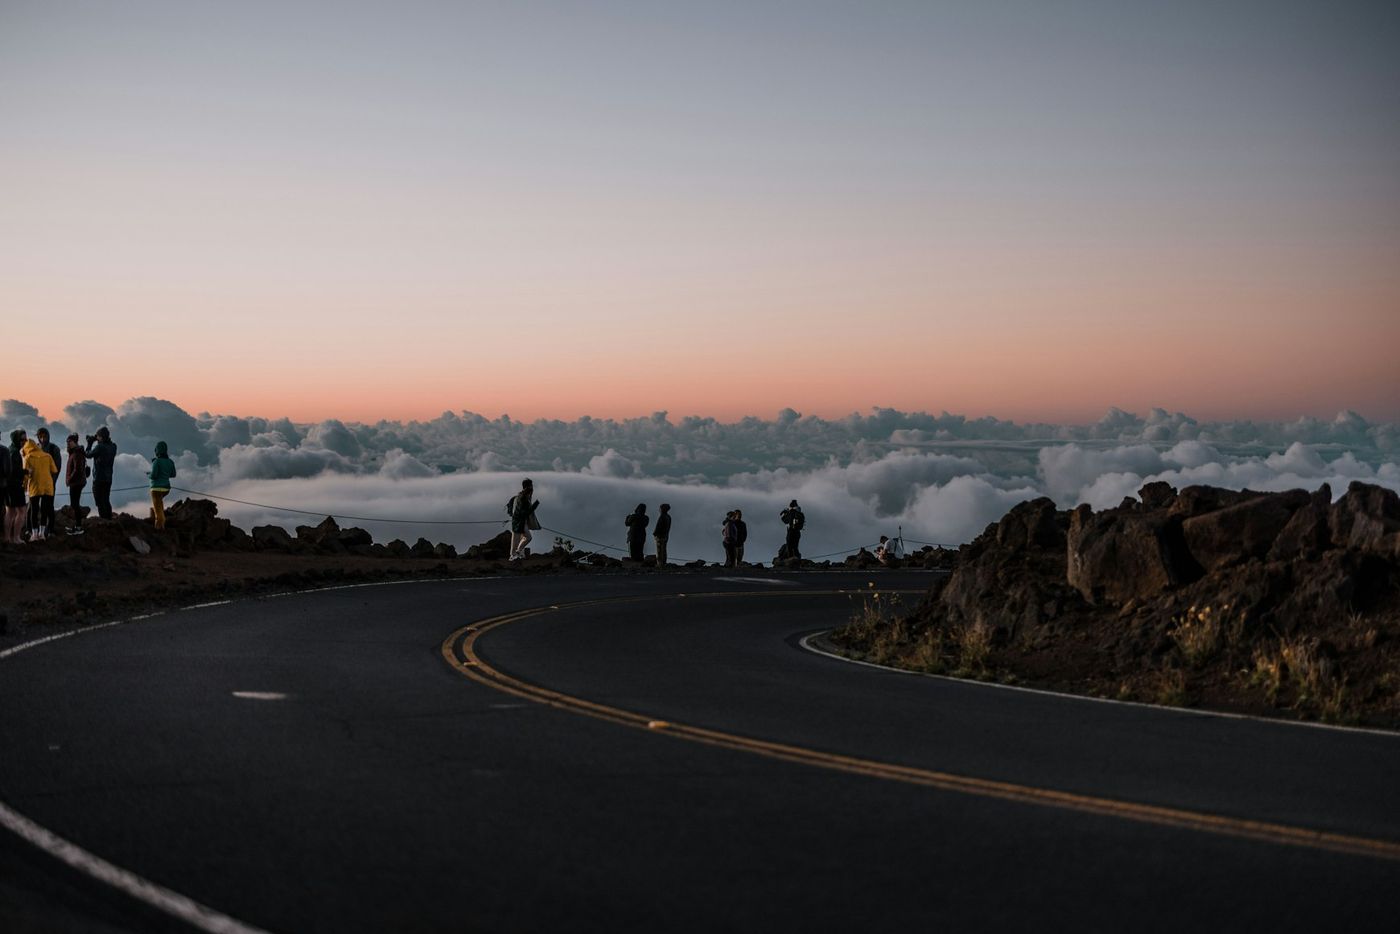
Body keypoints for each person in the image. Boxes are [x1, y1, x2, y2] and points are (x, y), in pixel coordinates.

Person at [21, 437, 57, 542]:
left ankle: (34, 535)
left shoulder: (28, 458)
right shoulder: (48, 456)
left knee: (34, 510)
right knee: (45, 510)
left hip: (35, 486)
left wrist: (24, 487)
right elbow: (54, 470)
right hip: (47, 486)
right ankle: (42, 534)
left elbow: (26, 475)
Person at [85, 426, 117, 519]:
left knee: (99, 500)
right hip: (108, 478)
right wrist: (97, 439)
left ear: (101, 437)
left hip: (98, 478)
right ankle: (109, 518)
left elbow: (88, 454)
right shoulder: (113, 446)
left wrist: (90, 443)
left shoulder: (100, 447)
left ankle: (104, 520)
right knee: (106, 499)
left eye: (98, 436)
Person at [35, 427, 61, 537]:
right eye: (40, 436)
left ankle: (50, 530)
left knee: (49, 506)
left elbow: (57, 467)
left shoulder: (54, 448)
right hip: (37, 483)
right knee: (36, 507)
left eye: (44, 436)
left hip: (49, 483)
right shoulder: (36, 448)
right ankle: (36, 529)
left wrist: (52, 482)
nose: (43, 439)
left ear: (48, 436)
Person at [148, 440, 176, 530]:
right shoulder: (170, 462)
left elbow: (154, 475)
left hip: (156, 488)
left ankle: (159, 527)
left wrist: (149, 474)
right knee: (160, 504)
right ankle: (160, 524)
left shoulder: (157, 462)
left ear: (157, 450)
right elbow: (173, 474)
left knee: (158, 509)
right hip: (166, 488)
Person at [508, 478, 538, 560]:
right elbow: (525, 512)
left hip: (519, 522)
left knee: (523, 538)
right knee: (519, 539)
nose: (532, 488)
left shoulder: (522, 496)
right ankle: (514, 555)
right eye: (531, 486)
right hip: (518, 522)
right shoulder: (522, 498)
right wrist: (535, 505)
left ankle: (518, 553)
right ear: (528, 487)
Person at [5, 431, 27, 543]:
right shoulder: (15, 453)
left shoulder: (9, 450)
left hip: (8, 486)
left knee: (10, 511)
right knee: (22, 511)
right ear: (16, 440)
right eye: (22, 439)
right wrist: (27, 471)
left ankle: (7, 538)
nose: (24, 442)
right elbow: (15, 471)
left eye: (25, 439)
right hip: (15, 485)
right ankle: (16, 538)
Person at [64, 434, 87, 533]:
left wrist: (69, 479)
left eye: (70, 441)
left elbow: (77, 469)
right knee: (75, 504)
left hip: (76, 482)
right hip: (77, 482)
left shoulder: (77, 453)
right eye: (67, 441)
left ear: (75, 442)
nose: (68, 443)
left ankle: (78, 527)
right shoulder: (74, 452)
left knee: (75, 504)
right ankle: (77, 526)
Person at [653, 503, 671, 567]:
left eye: (660, 508)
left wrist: (654, 533)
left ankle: (660, 563)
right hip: (665, 536)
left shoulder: (662, 516)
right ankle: (663, 562)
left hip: (660, 536)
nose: (659, 510)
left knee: (659, 550)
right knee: (664, 550)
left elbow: (658, 526)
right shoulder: (668, 517)